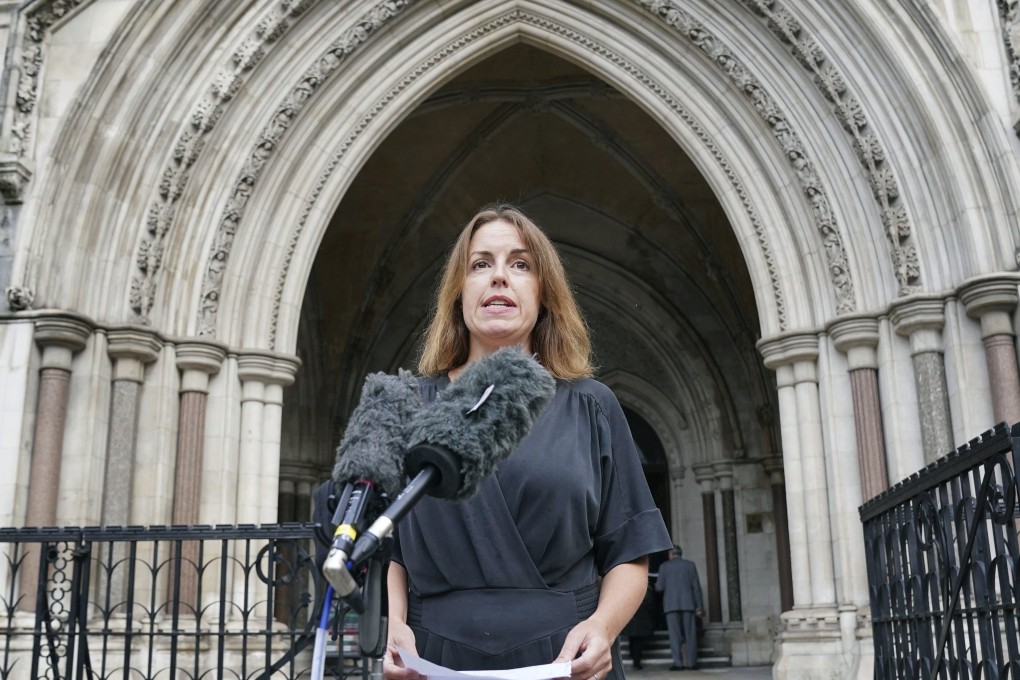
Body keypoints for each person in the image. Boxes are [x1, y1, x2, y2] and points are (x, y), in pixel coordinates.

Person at [383, 203, 673, 680]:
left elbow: (629, 551)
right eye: (481, 264)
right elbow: (391, 548)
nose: (500, 277)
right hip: (432, 660)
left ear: (545, 295)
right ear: (458, 294)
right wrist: (393, 625)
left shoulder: (591, 404)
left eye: (520, 265)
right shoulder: (407, 405)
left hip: (565, 662)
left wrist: (601, 628)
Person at [655, 545, 703, 670]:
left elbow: (659, 588)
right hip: (688, 604)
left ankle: (678, 663)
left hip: (671, 606)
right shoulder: (690, 565)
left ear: (670, 554)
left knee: (675, 636)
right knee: (690, 635)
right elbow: (696, 587)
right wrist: (699, 606)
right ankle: (692, 664)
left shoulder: (664, 566)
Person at [621, 578, 658, 670]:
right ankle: (636, 662)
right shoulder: (647, 590)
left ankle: (633, 655)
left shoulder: (628, 589)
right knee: (638, 641)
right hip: (641, 619)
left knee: (633, 638)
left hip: (631, 619)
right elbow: (651, 604)